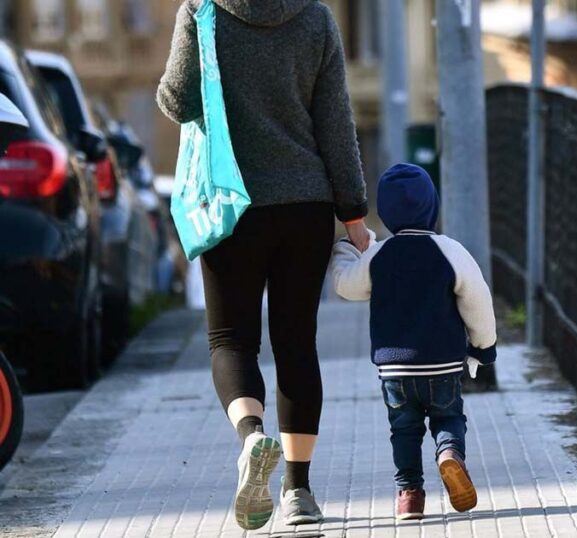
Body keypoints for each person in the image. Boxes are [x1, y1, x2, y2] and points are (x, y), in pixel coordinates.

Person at [156, 0, 371, 529]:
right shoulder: (317, 18)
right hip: (305, 205)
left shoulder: (202, 12)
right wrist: (353, 214)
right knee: (297, 342)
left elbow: (177, 99)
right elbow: (336, 123)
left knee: (231, 340)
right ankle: (299, 493)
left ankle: (252, 437)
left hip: (230, 204)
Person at [332, 164, 497, 520]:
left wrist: (348, 248)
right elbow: (477, 299)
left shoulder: (380, 255)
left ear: (387, 213)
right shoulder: (449, 250)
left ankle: (409, 496)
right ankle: (449, 453)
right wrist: (484, 347)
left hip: (395, 370)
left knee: (403, 430)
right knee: (448, 418)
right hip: (444, 364)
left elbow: (345, 285)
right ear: (432, 206)